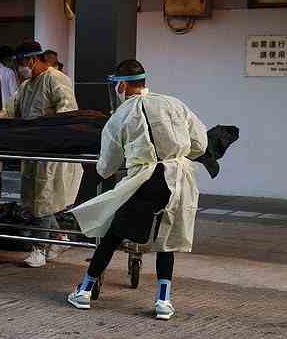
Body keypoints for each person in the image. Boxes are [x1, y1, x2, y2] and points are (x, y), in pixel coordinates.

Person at [66, 59, 207, 320]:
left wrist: (100, 170)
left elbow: (106, 165)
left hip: (146, 180)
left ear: (121, 86)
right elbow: (200, 142)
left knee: (114, 234)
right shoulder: (173, 104)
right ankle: (163, 301)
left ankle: (84, 291)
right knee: (167, 240)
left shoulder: (120, 116)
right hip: (178, 179)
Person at [0, 41, 83, 268]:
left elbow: (67, 110)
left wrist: (49, 131)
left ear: (31, 60)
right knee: (35, 201)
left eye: (21, 64)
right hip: (33, 151)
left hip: (50, 153)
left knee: (42, 201)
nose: (19, 70)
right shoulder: (27, 86)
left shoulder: (56, 79)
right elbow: (11, 109)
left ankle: (39, 248)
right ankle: (61, 238)